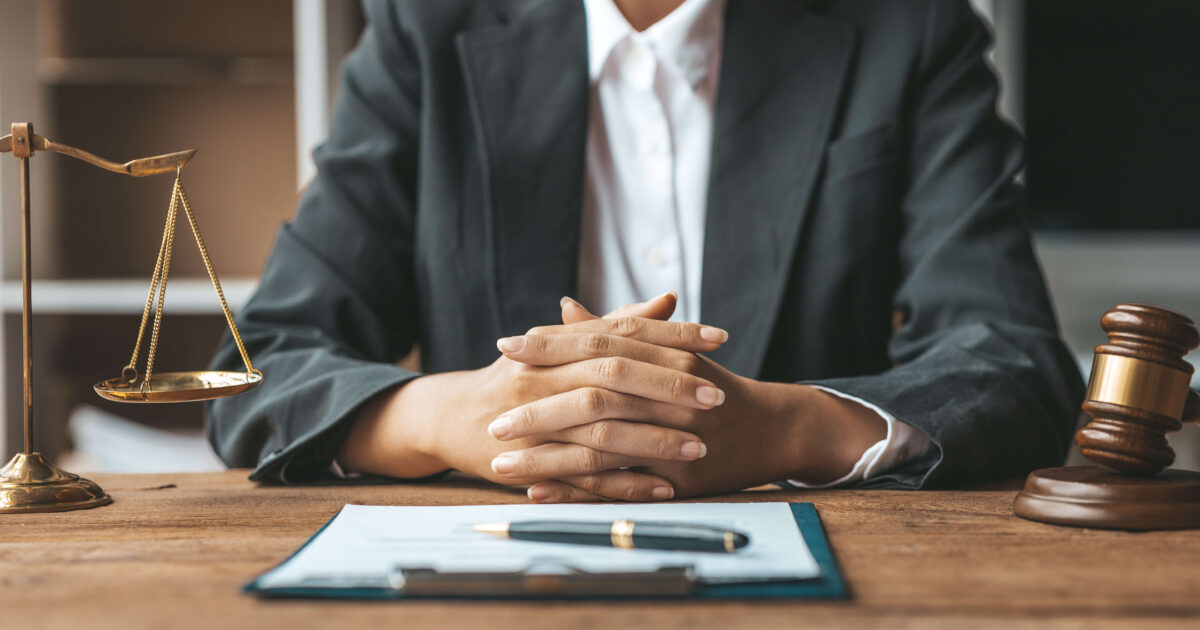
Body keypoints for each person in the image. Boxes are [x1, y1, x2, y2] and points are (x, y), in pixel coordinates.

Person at [207, 0, 1084, 501]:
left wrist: (783, 428)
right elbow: (262, 367)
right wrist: (460, 418)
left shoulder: (911, 29)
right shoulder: (426, 29)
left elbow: (1014, 368)